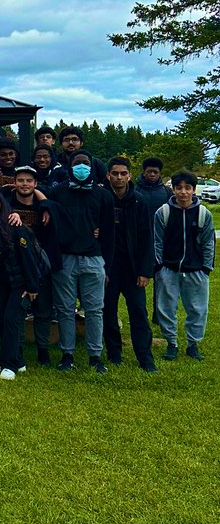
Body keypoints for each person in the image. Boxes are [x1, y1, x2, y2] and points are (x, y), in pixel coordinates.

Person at [48, 149, 114, 374]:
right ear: (69, 166)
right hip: (66, 259)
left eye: (85, 163)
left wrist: (108, 266)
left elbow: (108, 232)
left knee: (95, 309)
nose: (82, 167)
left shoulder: (103, 195)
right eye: (77, 163)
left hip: (94, 259)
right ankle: (67, 354)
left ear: (92, 166)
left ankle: (95, 355)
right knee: (65, 309)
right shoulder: (59, 192)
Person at [0, 189, 42, 381]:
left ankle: (9, 365)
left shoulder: (15, 227)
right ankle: (19, 359)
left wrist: (32, 287)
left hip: (19, 284)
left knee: (11, 320)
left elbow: (28, 258)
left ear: (2, 205)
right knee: (0, 321)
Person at [103, 157, 157, 372]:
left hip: (133, 269)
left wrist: (145, 271)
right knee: (108, 312)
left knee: (138, 312)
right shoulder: (102, 198)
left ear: (130, 176)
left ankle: (145, 357)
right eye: (114, 173)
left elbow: (146, 238)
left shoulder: (139, 201)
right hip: (109, 268)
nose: (119, 177)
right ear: (108, 175)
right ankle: (114, 354)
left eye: (123, 173)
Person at [154, 171, 214, 361]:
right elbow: (157, 242)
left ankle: (193, 344)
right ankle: (171, 343)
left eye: (187, 188)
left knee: (197, 309)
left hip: (196, 270)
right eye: (179, 188)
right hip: (169, 269)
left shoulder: (204, 214)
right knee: (166, 307)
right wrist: (158, 266)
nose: (183, 192)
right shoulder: (163, 212)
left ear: (194, 190)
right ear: (173, 188)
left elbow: (208, 243)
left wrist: (206, 268)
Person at [8, 165, 61, 365]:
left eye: (29, 181)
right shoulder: (7, 203)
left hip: (40, 266)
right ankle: (18, 348)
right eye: (20, 180)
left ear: (36, 184)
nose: (25, 184)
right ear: (14, 183)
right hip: (16, 266)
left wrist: (45, 205)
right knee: (18, 310)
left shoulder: (44, 206)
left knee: (43, 310)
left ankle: (43, 350)